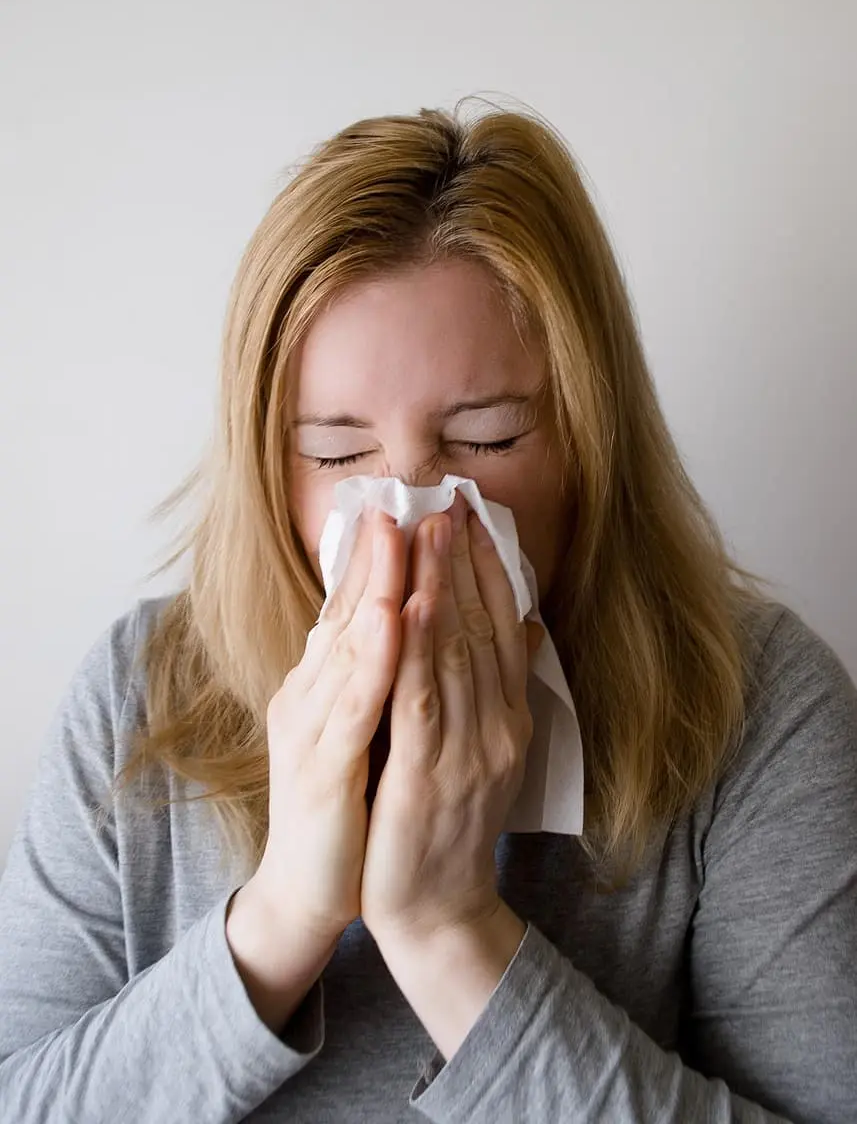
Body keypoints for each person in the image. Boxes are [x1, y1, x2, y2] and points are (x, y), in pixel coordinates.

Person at [0, 102, 855, 1124]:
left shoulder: (753, 702)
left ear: (587, 438)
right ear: (267, 463)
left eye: (486, 439)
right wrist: (280, 917)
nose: (408, 509)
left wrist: (451, 931)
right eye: (333, 452)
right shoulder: (139, 691)